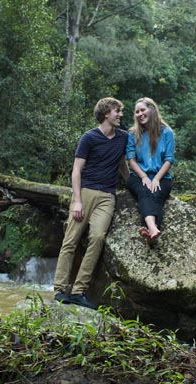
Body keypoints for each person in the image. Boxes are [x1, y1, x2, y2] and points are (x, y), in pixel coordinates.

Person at [53, 97, 130, 310]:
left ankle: (78, 291)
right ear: (106, 113)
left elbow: (122, 165)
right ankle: (60, 290)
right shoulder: (89, 137)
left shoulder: (123, 138)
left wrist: (137, 185)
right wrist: (77, 201)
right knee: (71, 240)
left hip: (107, 196)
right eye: (117, 111)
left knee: (97, 237)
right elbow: (76, 170)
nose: (120, 115)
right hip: (85, 193)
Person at [126, 97, 175, 243]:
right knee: (144, 191)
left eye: (143, 110)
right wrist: (144, 177)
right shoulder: (132, 134)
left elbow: (169, 159)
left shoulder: (167, 132)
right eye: (137, 111)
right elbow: (131, 160)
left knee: (157, 194)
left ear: (152, 110)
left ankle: (150, 231)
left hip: (162, 176)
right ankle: (153, 228)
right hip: (138, 176)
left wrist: (157, 179)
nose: (140, 114)